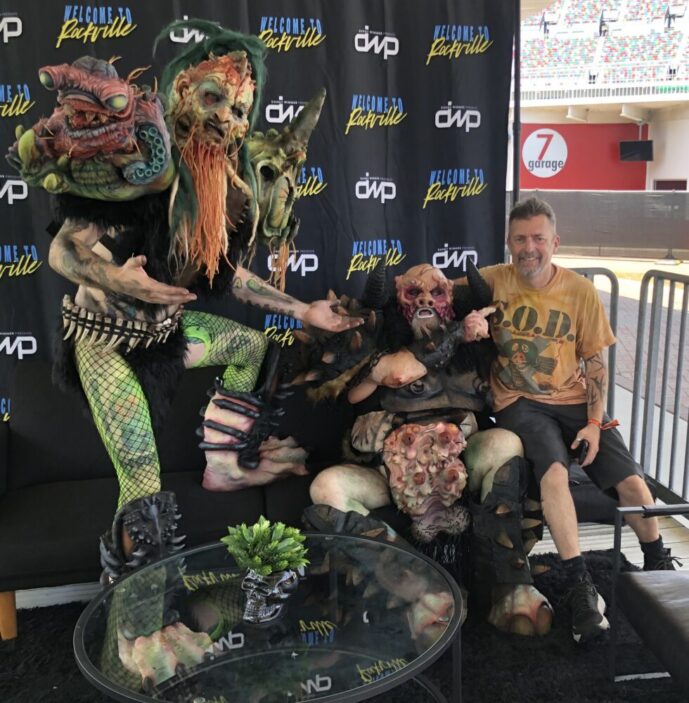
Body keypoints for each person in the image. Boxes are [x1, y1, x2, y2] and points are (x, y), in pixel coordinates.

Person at [470, 196, 678, 643]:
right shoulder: (491, 280)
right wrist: (464, 321)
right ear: (508, 242)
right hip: (520, 402)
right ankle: (580, 584)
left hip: (576, 400)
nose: (529, 248)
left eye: (538, 238)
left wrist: (594, 424)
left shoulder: (580, 291)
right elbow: (432, 289)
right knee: (555, 474)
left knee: (633, 483)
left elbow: (596, 364)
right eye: (520, 239)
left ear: (555, 242)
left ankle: (658, 562)